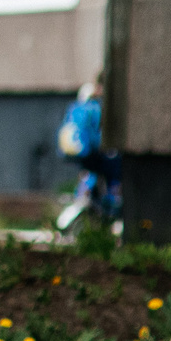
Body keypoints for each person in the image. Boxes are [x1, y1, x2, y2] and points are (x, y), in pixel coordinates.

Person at [56, 76, 120, 233]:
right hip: (96, 152)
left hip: (79, 153)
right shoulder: (97, 107)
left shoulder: (78, 106)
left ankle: (84, 199)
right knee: (114, 176)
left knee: (90, 176)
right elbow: (99, 135)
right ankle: (111, 212)